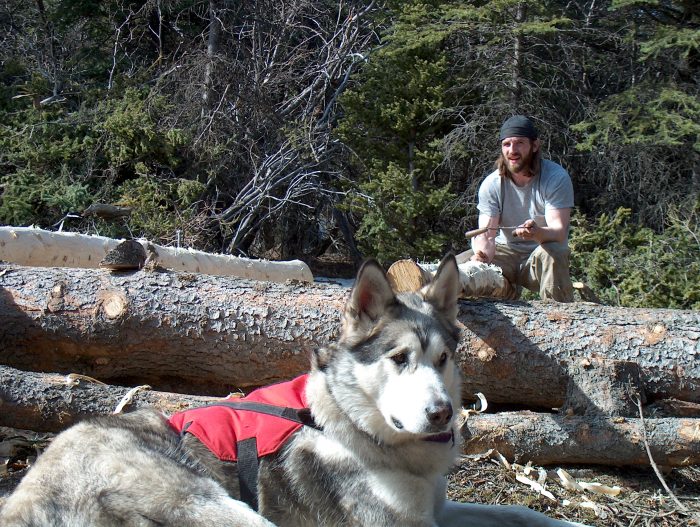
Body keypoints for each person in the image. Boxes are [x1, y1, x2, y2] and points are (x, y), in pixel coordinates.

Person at [455, 115, 575, 302]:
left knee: (555, 252)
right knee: (456, 266)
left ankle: (558, 317)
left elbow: (559, 232)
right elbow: (487, 233)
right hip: (505, 253)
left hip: (539, 253)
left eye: (519, 143)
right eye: (507, 144)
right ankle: (505, 292)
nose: (512, 150)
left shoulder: (555, 178)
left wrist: (536, 232)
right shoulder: (492, 184)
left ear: (534, 146)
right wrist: (482, 257)